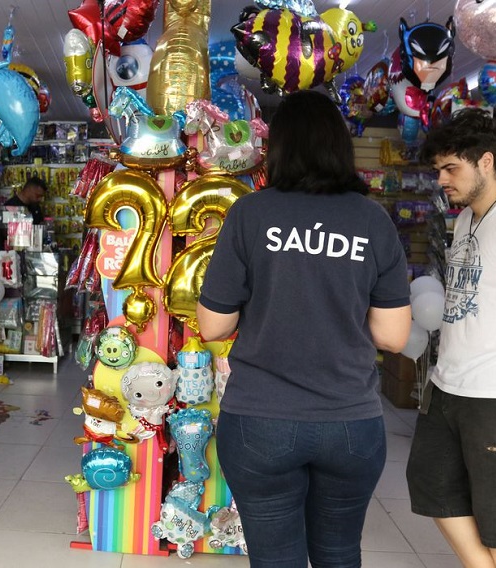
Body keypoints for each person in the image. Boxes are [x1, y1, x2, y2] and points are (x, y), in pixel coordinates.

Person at [196, 90, 412, 568]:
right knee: (339, 553)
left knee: (276, 558)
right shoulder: (373, 220)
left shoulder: (250, 214)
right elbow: (393, 337)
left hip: (260, 420)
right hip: (350, 422)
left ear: (277, 149)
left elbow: (213, 325)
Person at [406, 108, 496, 567]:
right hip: (448, 383)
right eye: (438, 169)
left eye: (451, 168)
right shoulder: (463, 221)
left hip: (490, 392)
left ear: (486, 161)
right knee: (431, 483)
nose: (441, 179)